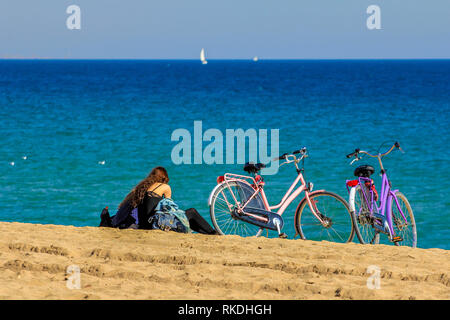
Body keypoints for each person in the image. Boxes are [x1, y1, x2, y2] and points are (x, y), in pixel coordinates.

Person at [100, 166, 218, 235]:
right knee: (191, 212)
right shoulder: (165, 187)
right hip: (155, 224)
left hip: (144, 224)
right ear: (164, 178)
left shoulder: (141, 189)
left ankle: (209, 234)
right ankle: (213, 233)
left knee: (186, 217)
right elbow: (170, 208)